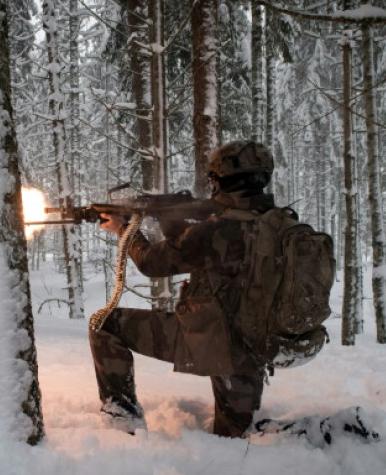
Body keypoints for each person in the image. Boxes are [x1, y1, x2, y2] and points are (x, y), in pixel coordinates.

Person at [90, 140, 276, 438]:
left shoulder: (218, 229)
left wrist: (125, 230)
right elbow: (195, 254)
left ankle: (121, 423)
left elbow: (153, 263)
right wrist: (169, 217)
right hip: (253, 348)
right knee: (239, 436)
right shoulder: (275, 222)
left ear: (220, 179)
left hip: (211, 338)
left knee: (104, 323)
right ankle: (322, 433)